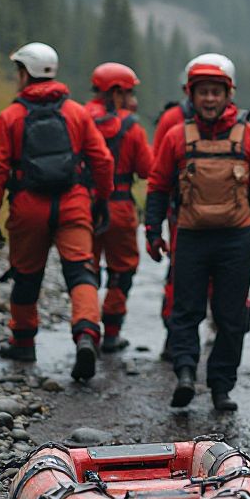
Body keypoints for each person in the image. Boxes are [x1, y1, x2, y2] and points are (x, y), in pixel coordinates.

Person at [0, 42, 115, 382]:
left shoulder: (11, 116)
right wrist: (100, 200)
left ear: (25, 72)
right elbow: (102, 161)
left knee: (26, 275)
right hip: (73, 203)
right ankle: (86, 334)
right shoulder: (76, 112)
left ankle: (23, 342)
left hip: (28, 207)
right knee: (81, 272)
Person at [144, 58, 250, 411]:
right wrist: (152, 231)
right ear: (191, 95)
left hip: (236, 240)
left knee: (231, 318)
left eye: (216, 92)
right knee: (186, 311)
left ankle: (220, 387)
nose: (210, 99)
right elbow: (157, 188)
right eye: (203, 93)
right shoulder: (175, 136)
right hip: (190, 238)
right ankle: (185, 373)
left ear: (228, 95)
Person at [153, 53, 238, 339]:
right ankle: (205, 330)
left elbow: (157, 173)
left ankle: (177, 334)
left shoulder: (171, 118)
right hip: (190, 213)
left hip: (182, 214)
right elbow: (160, 174)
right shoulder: (236, 125)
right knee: (195, 276)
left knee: (181, 275)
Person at [86, 62, 154, 352]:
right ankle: (111, 333)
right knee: (122, 269)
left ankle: (86, 331)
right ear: (115, 92)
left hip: (83, 207)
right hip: (120, 206)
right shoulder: (132, 126)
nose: (132, 98)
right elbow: (146, 169)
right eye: (128, 91)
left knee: (84, 270)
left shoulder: (78, 117)